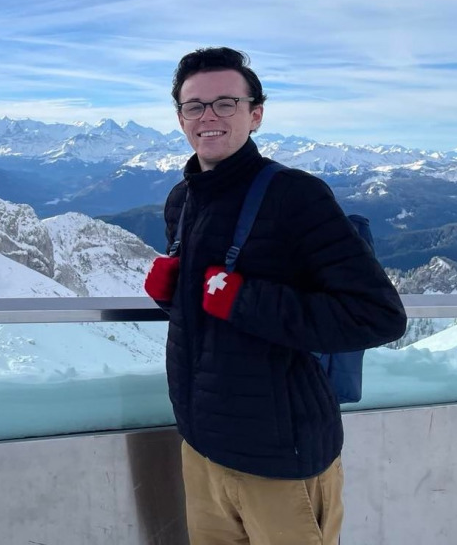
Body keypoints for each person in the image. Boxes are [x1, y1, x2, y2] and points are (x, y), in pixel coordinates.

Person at [143, 46, 407, 545]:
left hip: (280, 461)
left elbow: (378, 316)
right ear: (180, 117)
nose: (208, 117)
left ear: (255, 114)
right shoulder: (183, 200)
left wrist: (243, 299)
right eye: (194, 105)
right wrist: (173, 298)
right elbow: (214, 310)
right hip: (202, 449)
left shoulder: (296, 196)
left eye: (226, 103)